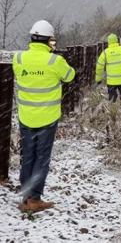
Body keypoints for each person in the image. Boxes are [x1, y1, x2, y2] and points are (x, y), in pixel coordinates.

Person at [12, 20, 75, 213]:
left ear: (32, 38)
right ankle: (34, 199)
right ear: (49, 40)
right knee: (42, 158)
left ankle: (25, 196)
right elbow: (70, 75)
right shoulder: (55, 61)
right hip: (47, 118)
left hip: (26, 117)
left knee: (28, 156)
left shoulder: (19, 59)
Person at [95, 33, 121, 102]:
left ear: (108, 42)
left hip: (111, 82)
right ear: (117, 41)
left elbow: (99, 67)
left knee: (112, 100)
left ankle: (113, 111)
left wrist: (98, 79)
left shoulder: (105, 53)